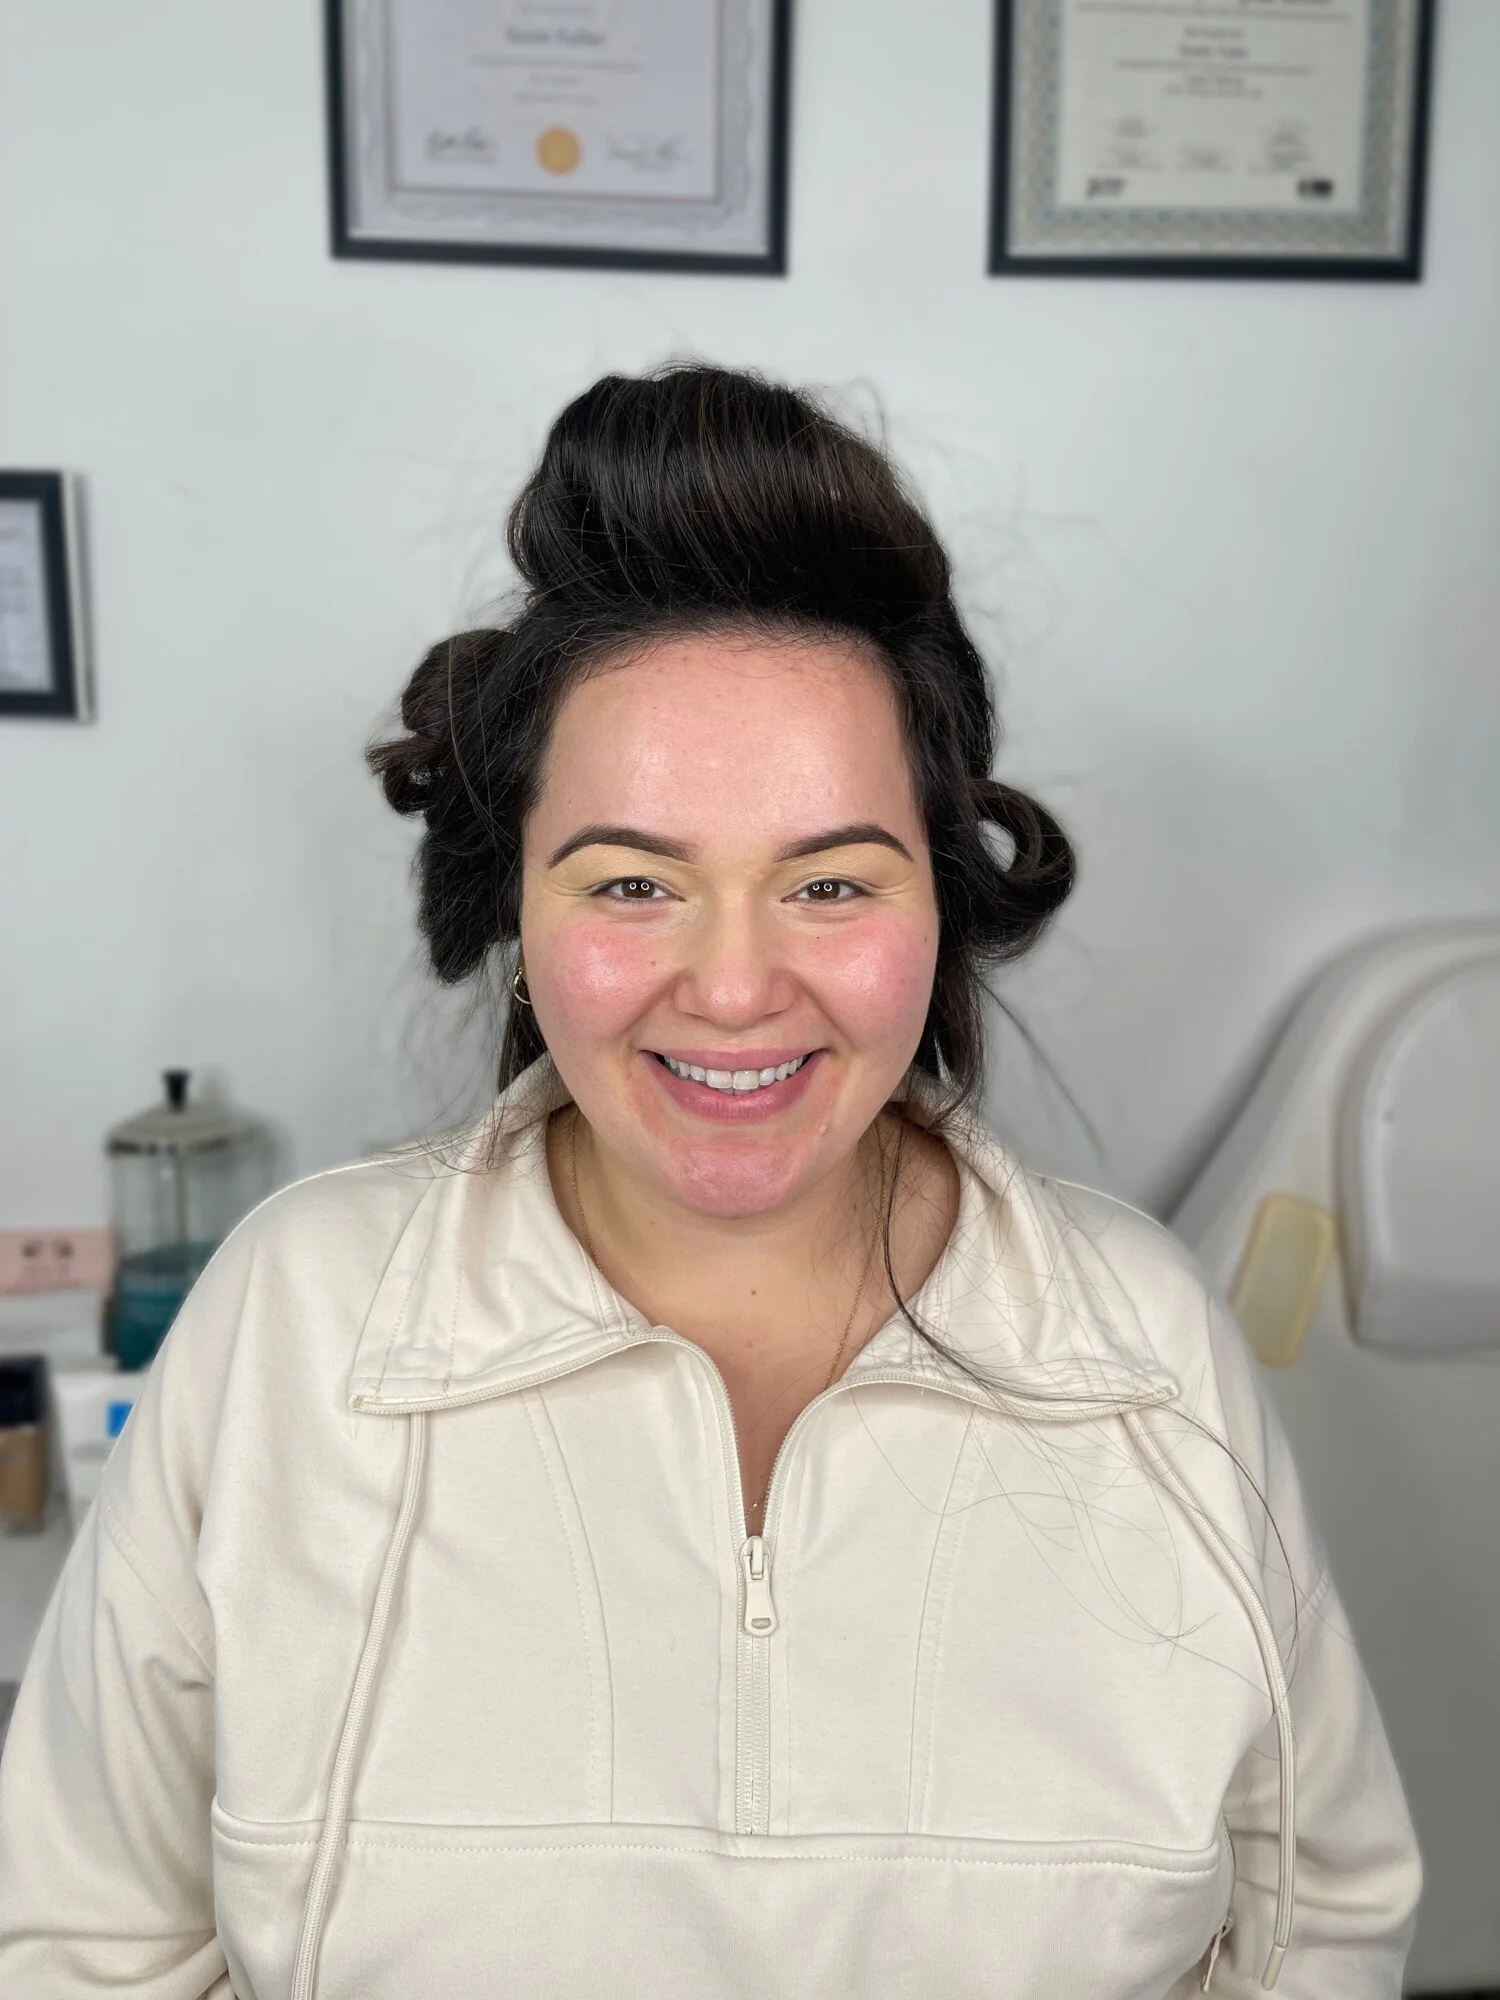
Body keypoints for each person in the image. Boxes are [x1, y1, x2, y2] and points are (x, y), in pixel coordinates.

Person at [0, 366, 1419, 1998]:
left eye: (828, 880)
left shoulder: (1146, 1357)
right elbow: (86, 1944)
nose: (735, 986)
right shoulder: (294, 1328)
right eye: (631, 883)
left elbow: (1322, 1922)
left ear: (937, 908)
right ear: (516, 918)